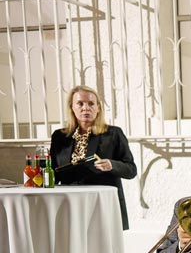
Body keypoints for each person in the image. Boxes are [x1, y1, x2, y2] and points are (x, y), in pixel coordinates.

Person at [50, 85, 137, 230]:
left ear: (98, 108)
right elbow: (53, 172)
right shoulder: (60, 136)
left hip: (101, 203)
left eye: (91, 104)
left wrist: (112, 165)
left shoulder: (113, 134)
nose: (86, 108)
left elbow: (131, 170)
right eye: (80, 103)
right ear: (71, 107)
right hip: (69, 202)